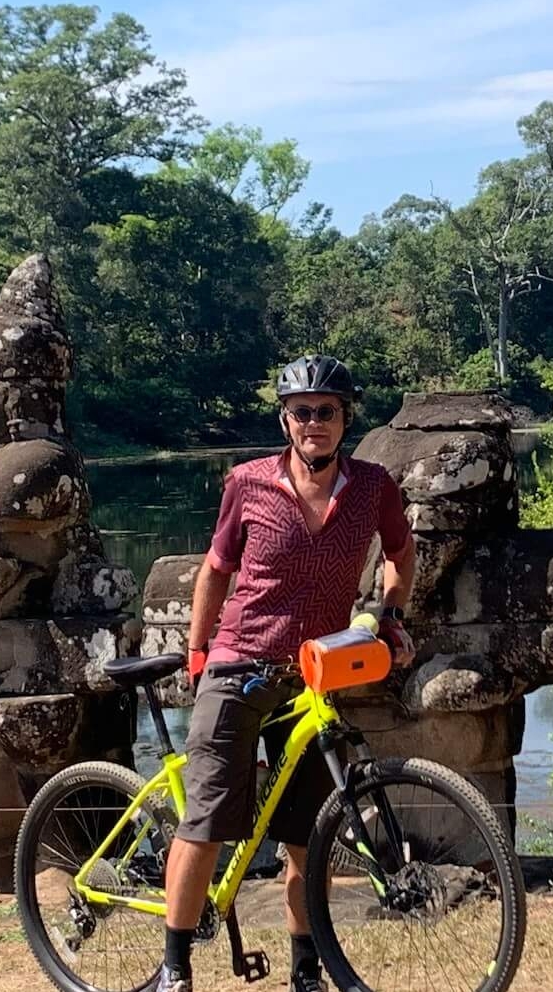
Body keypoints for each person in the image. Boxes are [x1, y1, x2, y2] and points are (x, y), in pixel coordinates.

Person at [154, 354, 417, 992]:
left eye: (326, 412)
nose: (314, 423)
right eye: (302, 413)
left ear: (344, 419)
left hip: (314, 672)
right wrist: (197, 652)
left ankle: (306, 966)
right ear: (285, 421)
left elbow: (403, 553)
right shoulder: (247, 482)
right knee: (209, 820)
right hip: (239, 663)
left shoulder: (374, 487)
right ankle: (174, 966)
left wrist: (391, 616)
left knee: (308, 832)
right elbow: (216, 571)